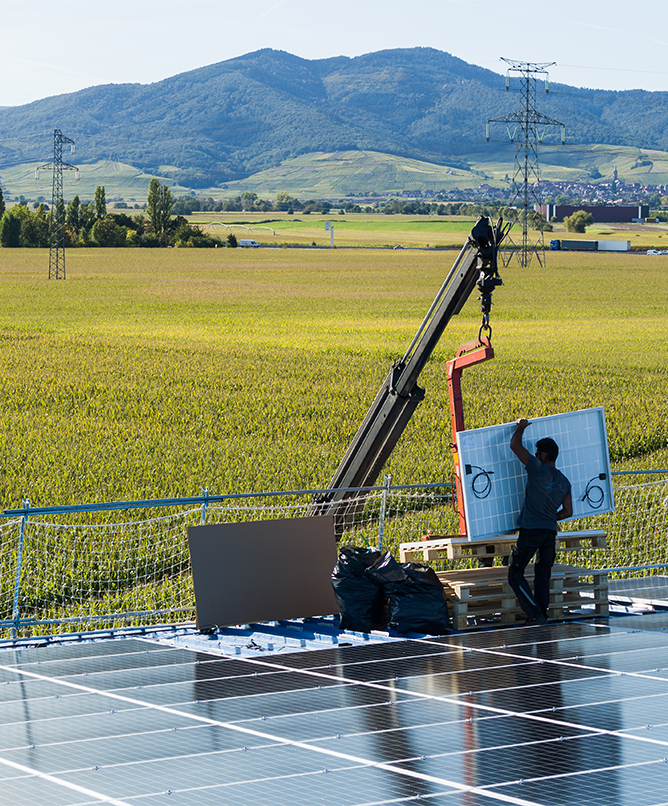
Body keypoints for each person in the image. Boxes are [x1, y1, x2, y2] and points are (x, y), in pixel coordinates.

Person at [508, 418, 573, 625]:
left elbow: (514, 446)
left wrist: (520, 428)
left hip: (531, 531)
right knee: (542, 576)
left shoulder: (537, 468)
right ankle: (542, 615)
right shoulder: (564, 481)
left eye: (537, 452)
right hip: (549, 533)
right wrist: (551, 518)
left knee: (515, 573)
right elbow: (568, 512)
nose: (535, 455)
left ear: (543, 455)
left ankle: (535, 613)